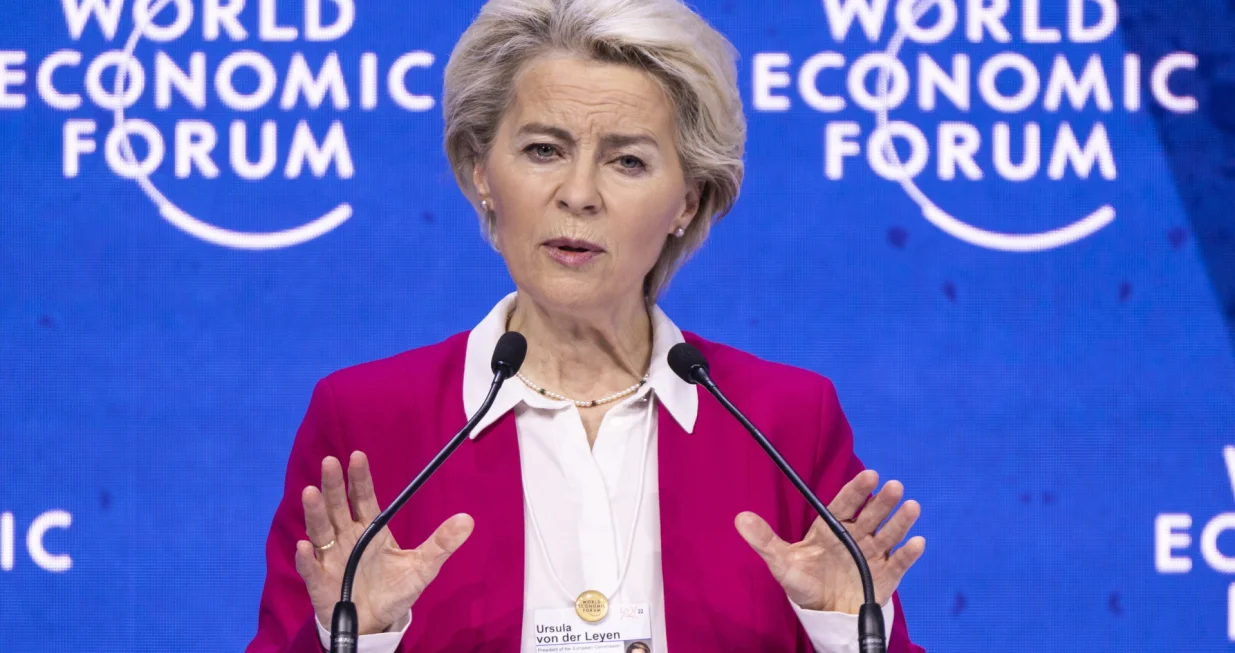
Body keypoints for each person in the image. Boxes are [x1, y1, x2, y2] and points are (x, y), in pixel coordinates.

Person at [246, 1, 927, 651]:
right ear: (480, 171)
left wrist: (848, 631)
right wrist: (353, 635)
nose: (578, 194)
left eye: (627, 161)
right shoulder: (366, 419)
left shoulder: (784, 420)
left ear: (686, 201)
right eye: (544, 149)